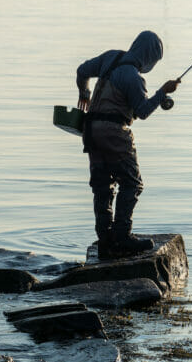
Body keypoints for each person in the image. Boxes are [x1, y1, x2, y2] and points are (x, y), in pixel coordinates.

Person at [76, 30, 179, 258]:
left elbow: (82, 70)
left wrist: (84, 91)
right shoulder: (133, 77)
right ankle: (122, 237)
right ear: (150, 57)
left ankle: (105, 241)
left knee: (102, 186)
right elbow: (142, 111)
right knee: (132, 183)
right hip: (114, 133)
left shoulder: (110, 57)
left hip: (91, 131)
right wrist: (162, 92)